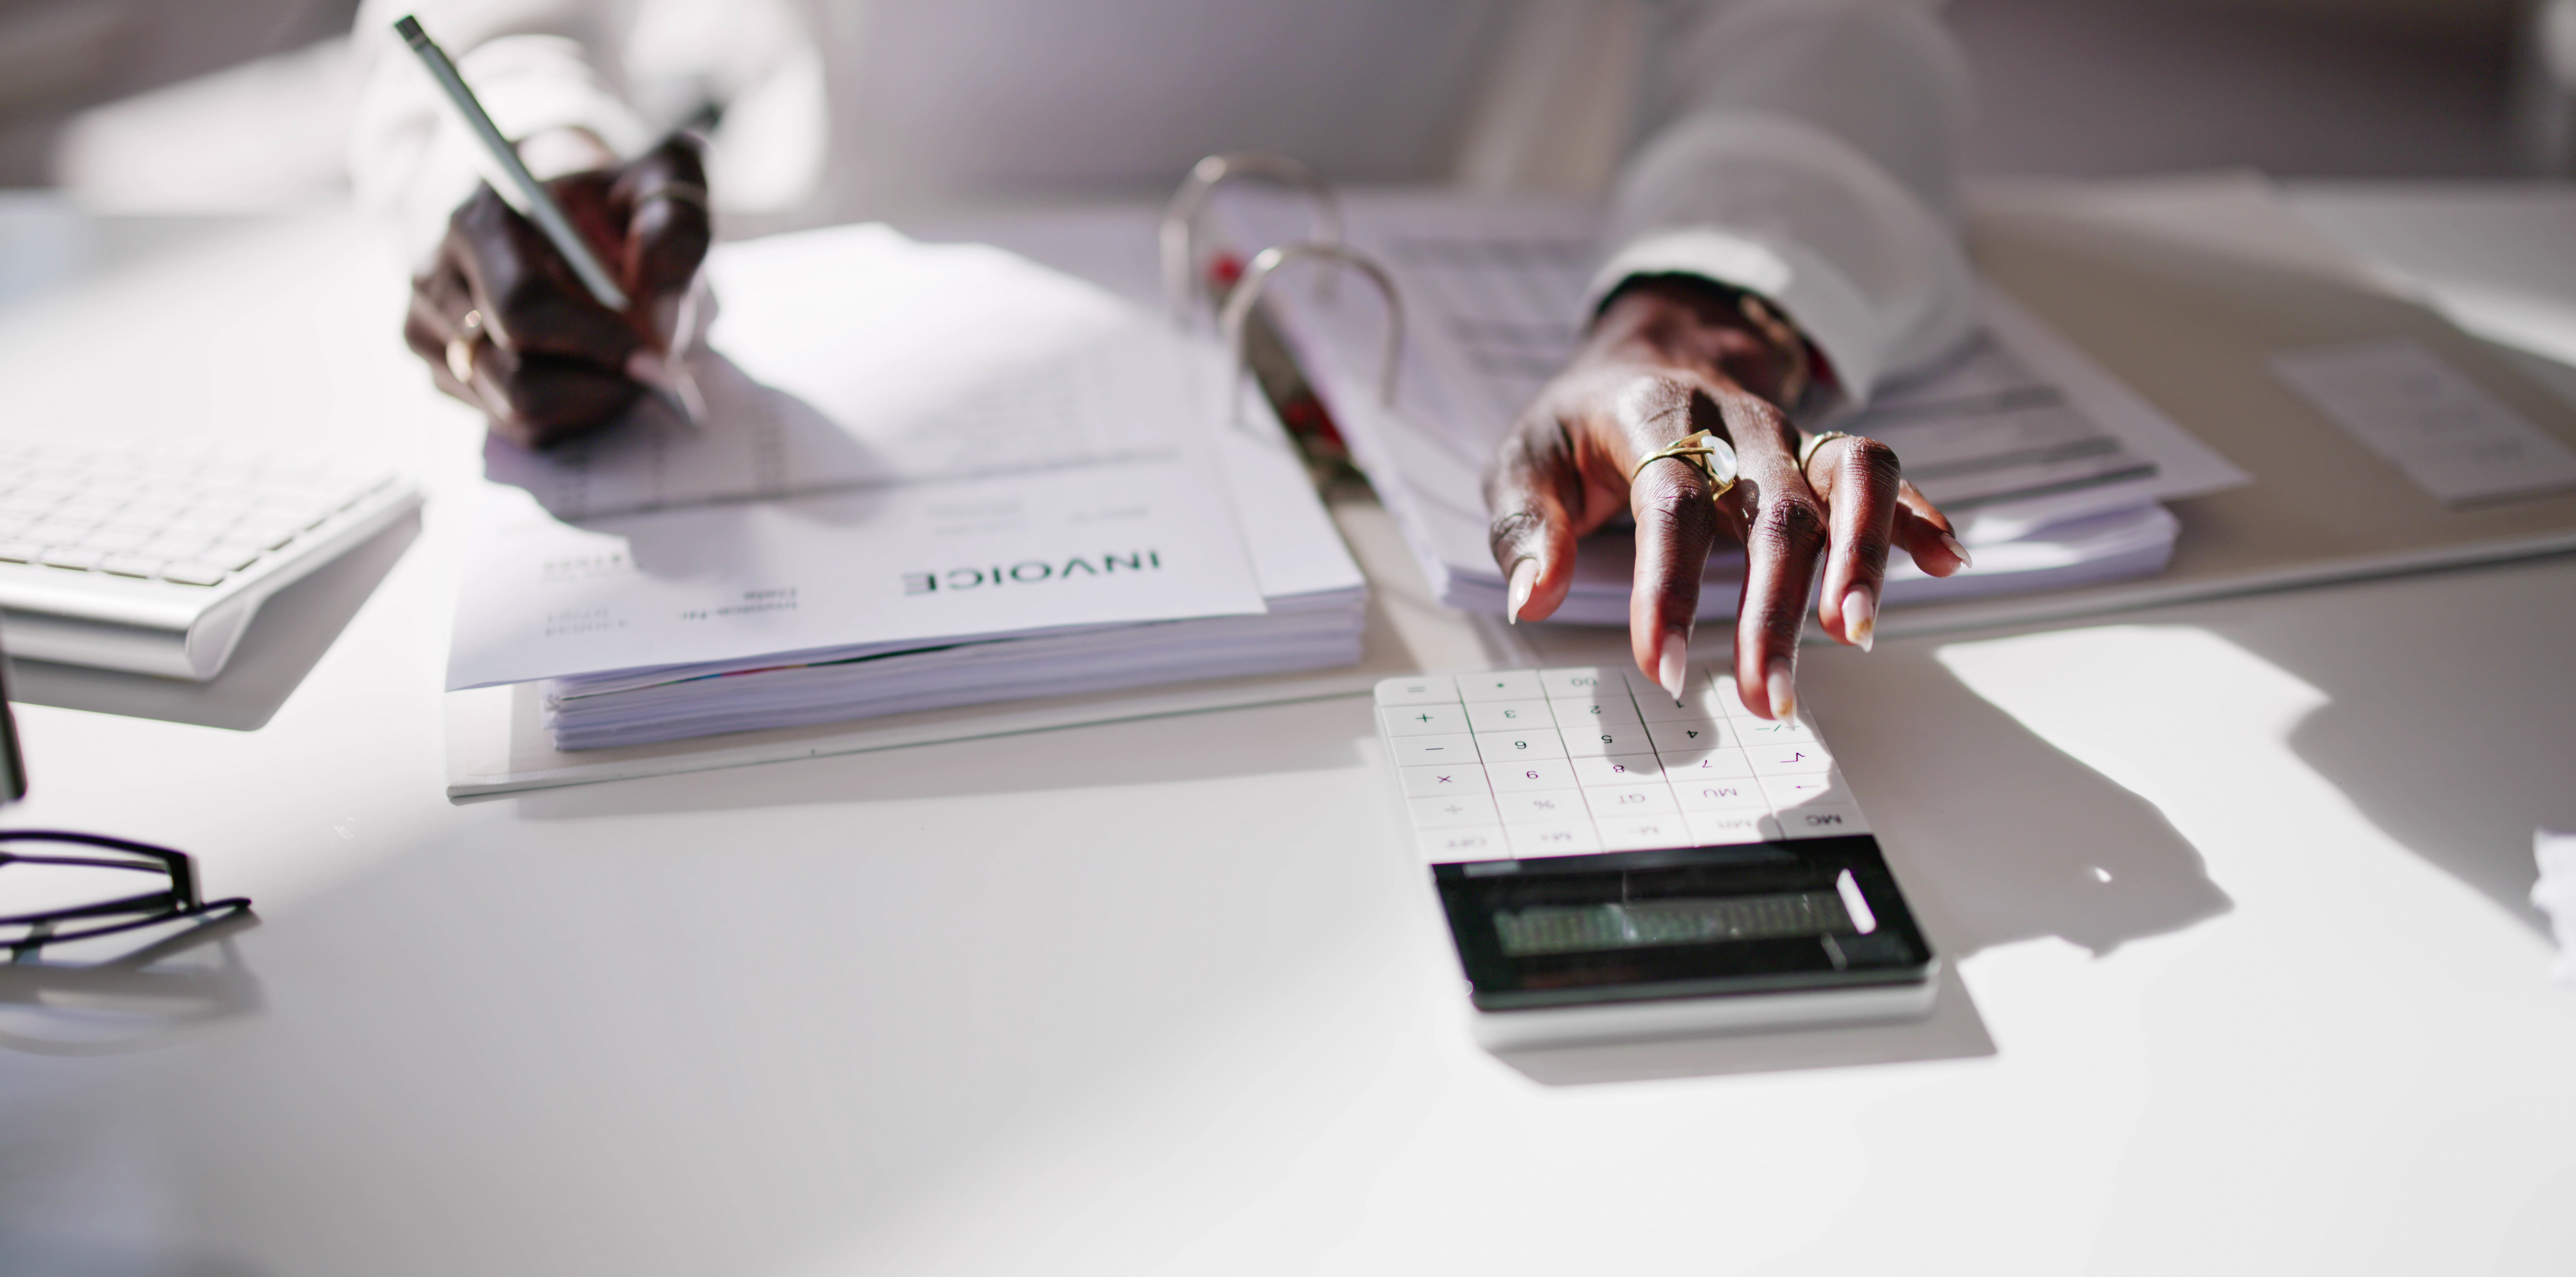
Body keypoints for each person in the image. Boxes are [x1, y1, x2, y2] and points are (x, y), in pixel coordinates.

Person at [353, 0, 1977, 714]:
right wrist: (524, 159)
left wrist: (1707, 302)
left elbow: (1829, 24)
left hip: (1415, 378)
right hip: (844, 335)